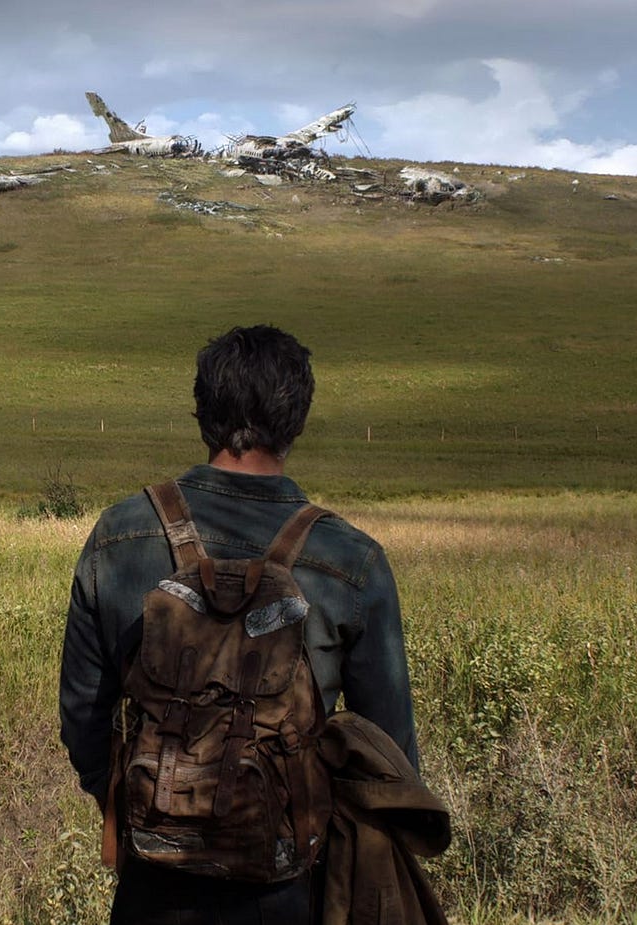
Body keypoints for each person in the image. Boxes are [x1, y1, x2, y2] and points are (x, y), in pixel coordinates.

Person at [59, 324, 420, 924]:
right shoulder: (351, 560)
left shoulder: (118, 536)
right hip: (289, 890)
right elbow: (391, 757)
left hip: (152, 886)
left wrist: (151, 810)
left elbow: (82, 717)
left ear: (203, 413)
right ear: (296, 420)